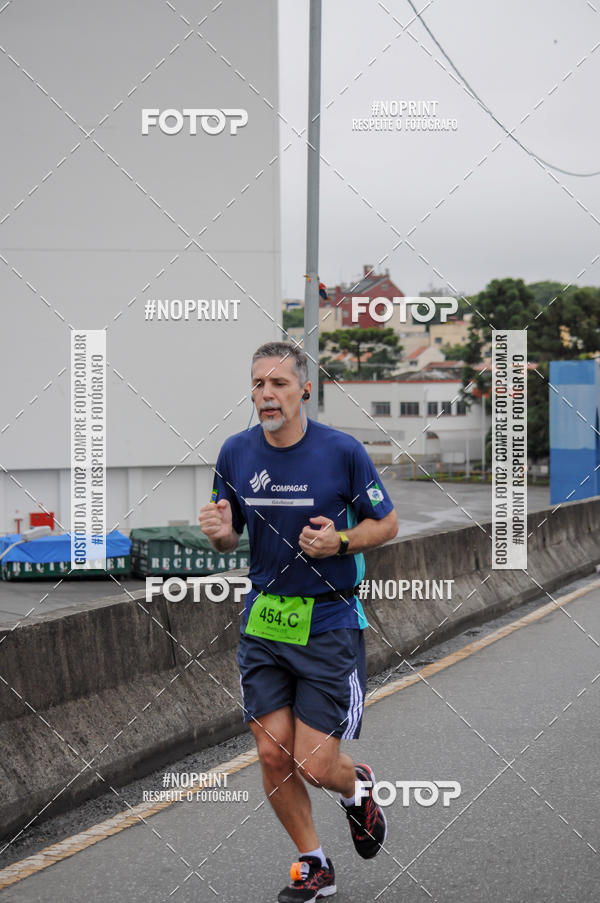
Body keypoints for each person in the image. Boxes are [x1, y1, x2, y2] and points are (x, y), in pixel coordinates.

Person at [198, 341, 398, 902]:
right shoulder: (235, 452)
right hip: (264, 621)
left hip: (328, 621)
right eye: (259, 383)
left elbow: (387, 524)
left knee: (313, 764)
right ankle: (315, 864)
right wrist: (219, 535)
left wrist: (341, 541)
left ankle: (357, 789)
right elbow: (228, 532)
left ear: (304, 390)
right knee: (269, 752)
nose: (267, 393)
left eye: (279, 384)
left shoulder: (341, 451)